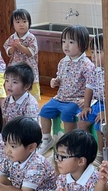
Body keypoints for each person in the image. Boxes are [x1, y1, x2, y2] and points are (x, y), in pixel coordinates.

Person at [38, 25, 94, 155]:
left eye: (71, 42)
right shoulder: (63, 61)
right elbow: (60, 78)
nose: (66, 45)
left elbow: (91, 85)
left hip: (75, 100)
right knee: (44, 110)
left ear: (83, 44)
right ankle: (47, 139)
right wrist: (55, 81)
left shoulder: (86, 64)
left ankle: (70, 142)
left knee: (67, 114)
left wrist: (86, 101)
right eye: (64, 41)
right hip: (60, 97)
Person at [78, 34, 105, 160]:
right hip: (98, 103)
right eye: (92, 52)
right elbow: (89, 88)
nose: (93, 55)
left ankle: (100, 154)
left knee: (100, 126)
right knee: (82, 121)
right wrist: (86, 106)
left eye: (98, 52)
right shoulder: (95, 69)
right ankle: (88, 149)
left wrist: (107, 112)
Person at [3, 8, 40, 99]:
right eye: (18, 22)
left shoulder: (31, 37)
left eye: (24, 21)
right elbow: (8, 51)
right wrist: (12, 48)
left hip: (29, 68)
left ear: (29, 23)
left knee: (31, 88)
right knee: (16, 85)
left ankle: (33, 104)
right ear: (13, 24)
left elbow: (31, 52)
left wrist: (20, 47)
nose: (21, 24)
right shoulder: (12, 37)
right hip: (16, 68)